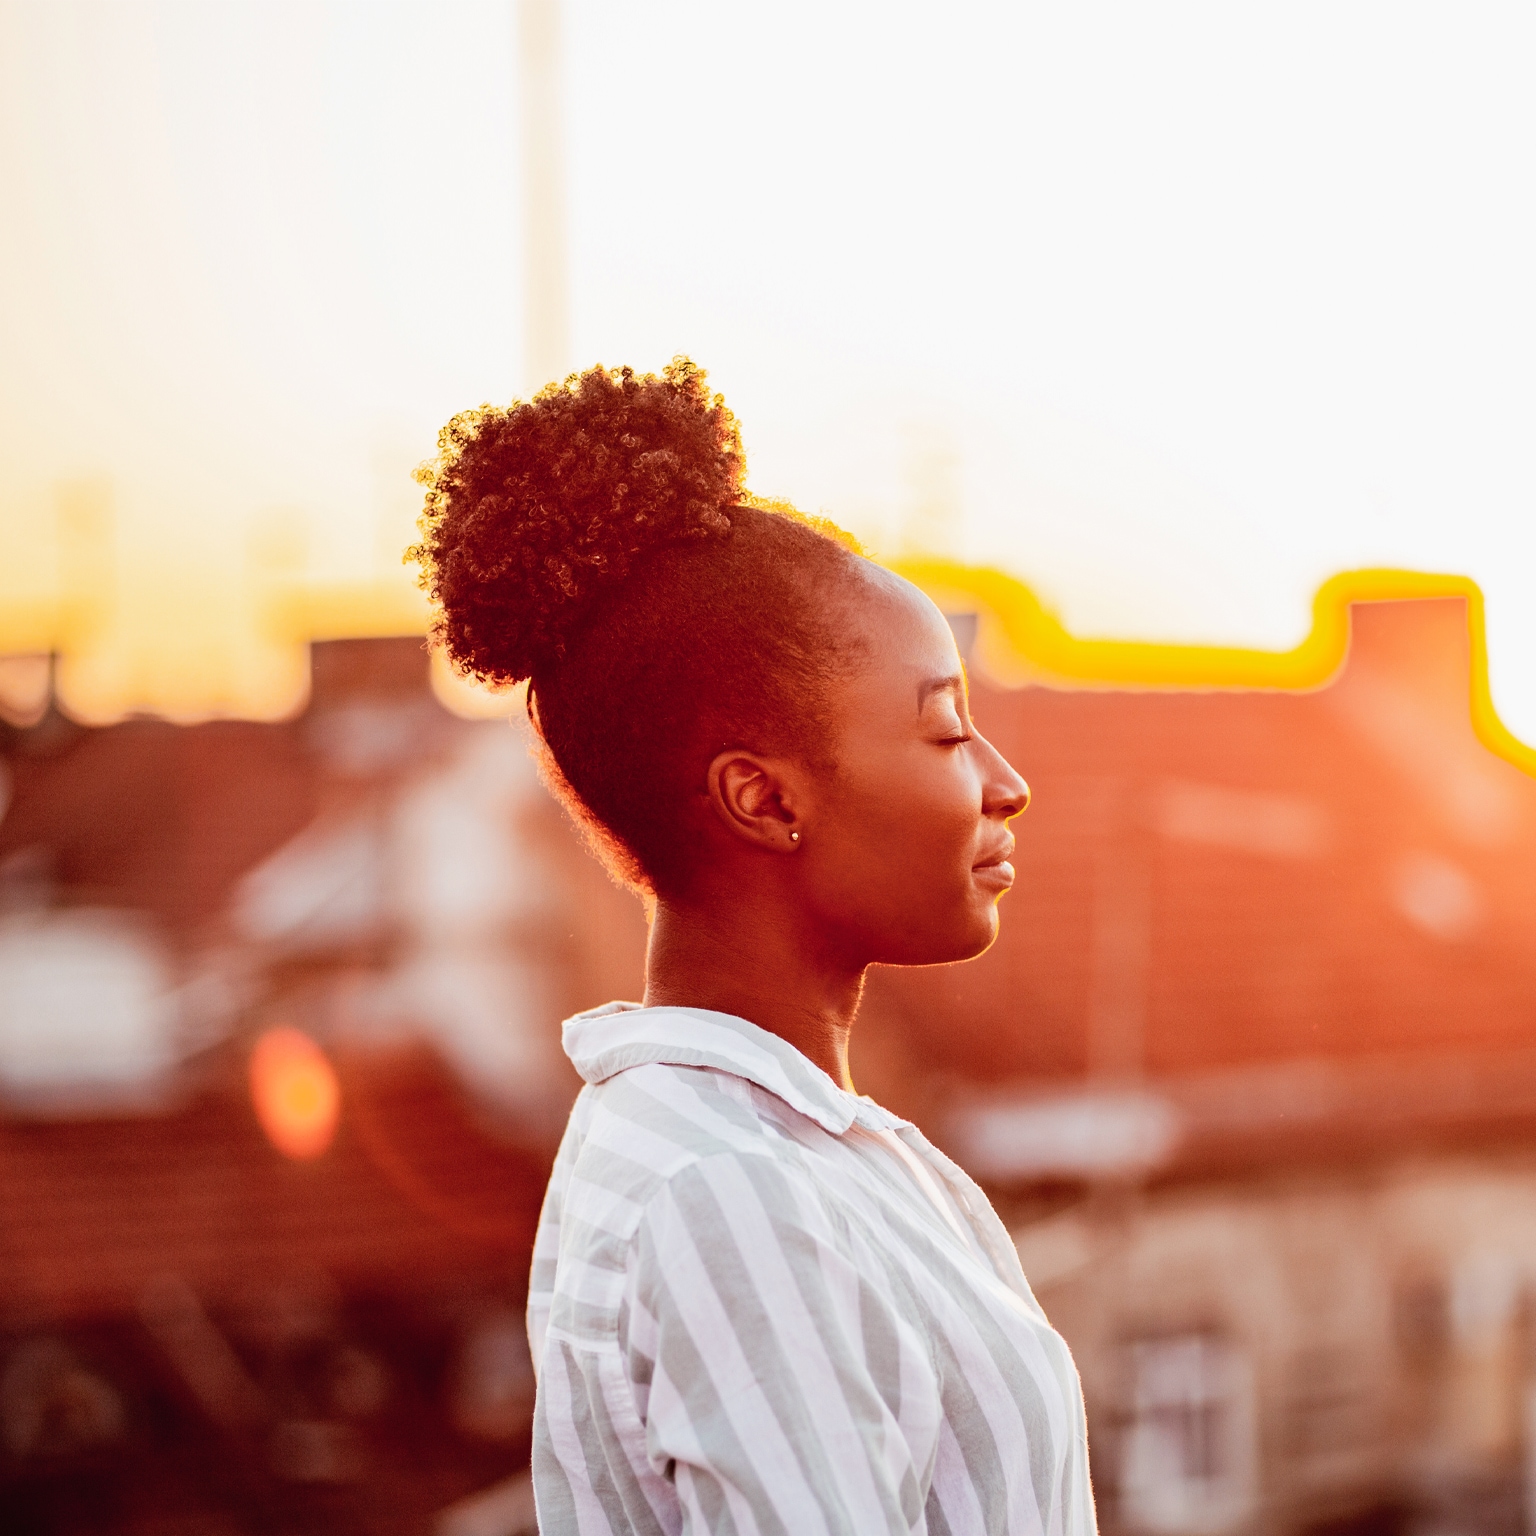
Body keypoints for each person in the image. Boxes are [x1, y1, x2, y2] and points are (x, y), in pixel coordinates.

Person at [410, 359, 1096, 1535]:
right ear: (762, 800)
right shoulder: (730, 1192)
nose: (1007, 784)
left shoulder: (808, 1153)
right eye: (943, 730)